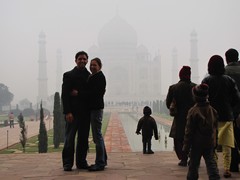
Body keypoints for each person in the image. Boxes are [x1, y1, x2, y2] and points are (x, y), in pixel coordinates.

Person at [202, 55, 240, 178]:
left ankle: (214, 168)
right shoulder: (229, 80)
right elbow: (236, 98)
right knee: (227, 144)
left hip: (211, 116)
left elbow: (201, 98)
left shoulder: (207, 81)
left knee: (212, 144)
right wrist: (230, 107)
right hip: (227, 116)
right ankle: (227, 169)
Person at [183, 83, 220, 180]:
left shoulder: (193, 111)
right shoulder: (213, 110)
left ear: (194, 97)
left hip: (196, 144)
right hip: (209, 142)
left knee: (193, 165)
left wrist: (186, 147)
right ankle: (215, 177)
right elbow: (215, 128)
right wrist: (215, 141)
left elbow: (189, 131)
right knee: (211, 163)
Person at [61, 51, 91, 171]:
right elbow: (65, 95)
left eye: (84, 59)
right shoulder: (69, 75)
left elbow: (90, 95)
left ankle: (81, 162)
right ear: (75, 60)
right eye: (80, 59)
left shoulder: (89, 76)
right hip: (72, 113)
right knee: (69, 139)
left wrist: (78, 93)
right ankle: (67, 163)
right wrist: (67, 112)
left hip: (85, 113)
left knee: (83, 139)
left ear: (87, 60)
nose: (82, 61)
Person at [166, 66, 196, 166]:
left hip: (179, 117)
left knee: (179, 138)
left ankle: (183, 159)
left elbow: (168, 104)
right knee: (192, 137)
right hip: (193, 117)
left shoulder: (173, 88)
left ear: (180, 75)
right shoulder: (195, 87)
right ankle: (193, 158)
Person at [87, 57, 108, 171]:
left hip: (96, 109)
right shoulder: (94, 76)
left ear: (100, 66)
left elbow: (94, 93)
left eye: (94, 65)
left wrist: (80, 93)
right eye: (91, 65)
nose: (92, 67)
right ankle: (103, 160)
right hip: (94, 108)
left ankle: (100, 163)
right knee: (97, 136)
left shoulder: (99, 77)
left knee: (97, 136)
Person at [225, 48, 240, 172]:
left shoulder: (224, 72)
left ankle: (233, 164)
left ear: (227, 58)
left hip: (229, 109)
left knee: (231, 137)